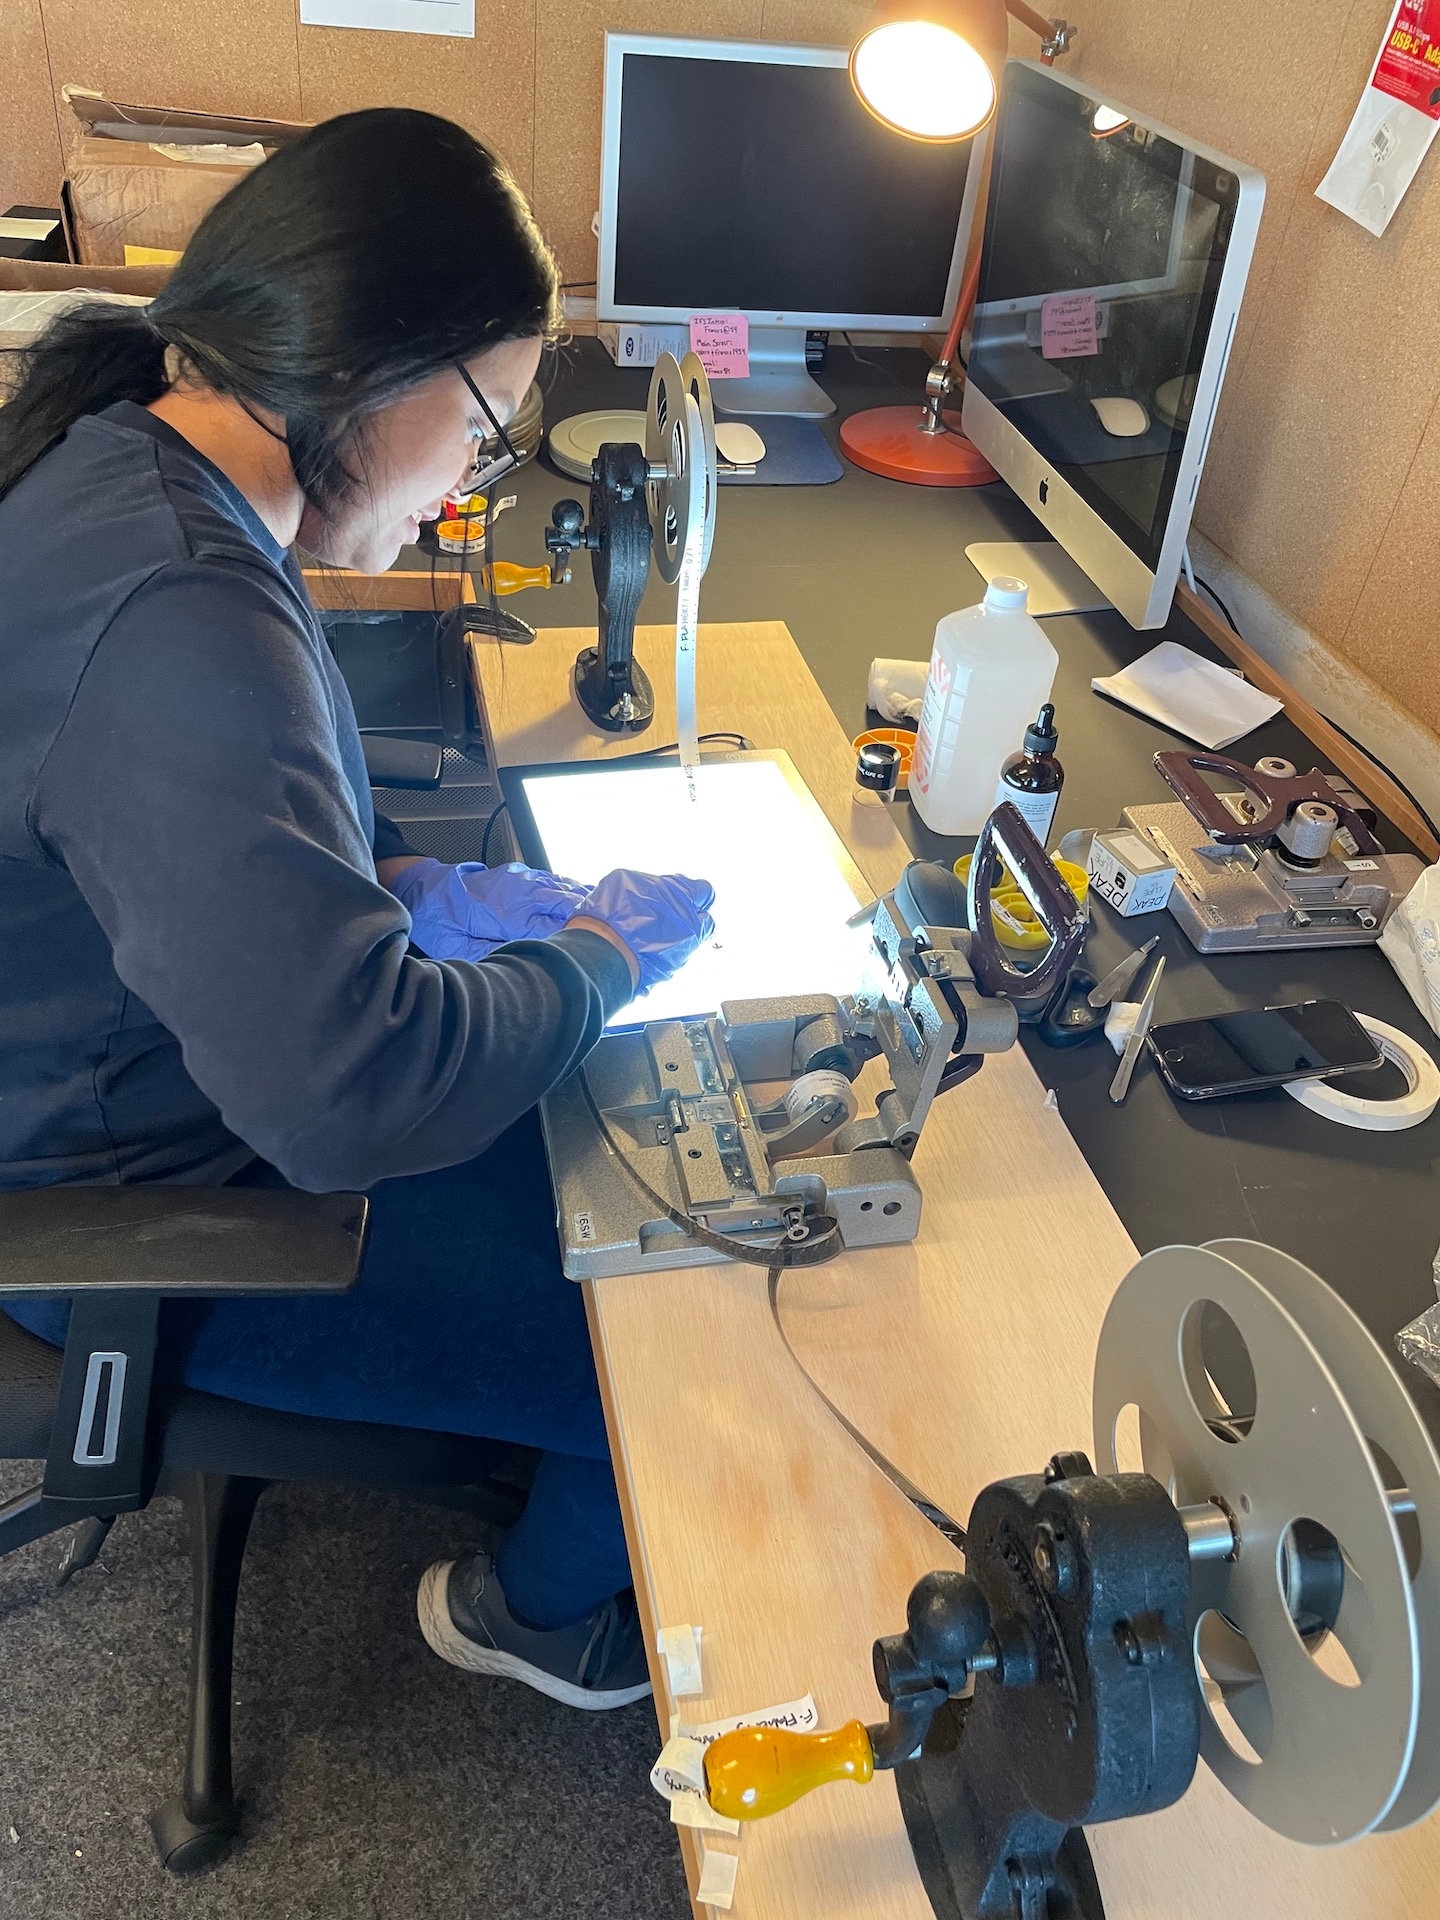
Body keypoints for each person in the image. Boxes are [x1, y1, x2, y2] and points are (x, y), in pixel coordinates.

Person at [0, 108, 715, 1710]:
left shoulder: (134, 454)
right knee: (679, 1297)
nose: (475, 484)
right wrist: (594, 963)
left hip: (127, 1066)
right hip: (142, 1206)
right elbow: (351, 1093)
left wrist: (410, 887)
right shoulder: (184, 613)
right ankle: (536, 1617)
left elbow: (168, 841)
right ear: (384, 371)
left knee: (612, 1126)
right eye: (488, 433)